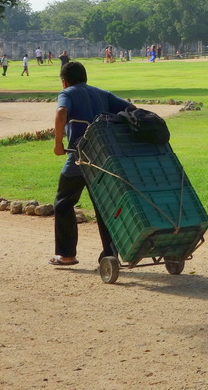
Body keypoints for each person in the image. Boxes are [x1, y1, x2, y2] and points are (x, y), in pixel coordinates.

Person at [50, 60, 136, 267]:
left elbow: (61, 113)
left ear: (64, 81)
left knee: (63, 203)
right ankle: (110, 253)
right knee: (104, 205)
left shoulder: (67, 93)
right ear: (85, 77)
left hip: (80, 157)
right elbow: (131, 109)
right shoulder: (102, 93)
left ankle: (67, 254)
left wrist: (58, 143)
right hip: (104, 158)